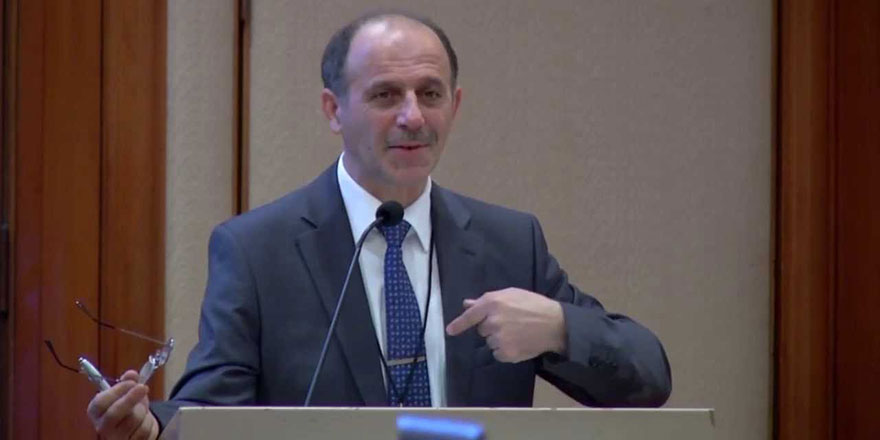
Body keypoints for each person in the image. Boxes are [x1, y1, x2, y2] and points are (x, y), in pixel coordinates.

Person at [87, 10, 672, 440]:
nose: (413, 116)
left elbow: (648, 380)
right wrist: (150, 428)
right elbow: (211, 412)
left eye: (430, 93)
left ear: (455, 106)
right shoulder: (257, 250)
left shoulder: (508, 243)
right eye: (386, 95)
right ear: (333, 110)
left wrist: (561, 328)